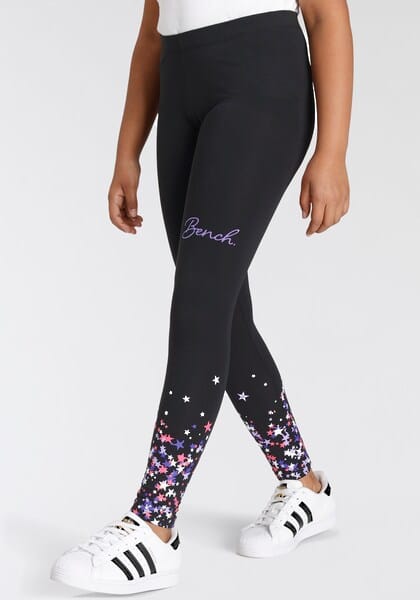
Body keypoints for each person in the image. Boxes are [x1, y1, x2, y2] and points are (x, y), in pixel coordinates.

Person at [51, 0, 353, 594]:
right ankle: (305, 486)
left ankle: (154, 523)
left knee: (200, 305)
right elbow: (152, 32)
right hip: (182, 87)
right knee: (219, 309)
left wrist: (333, 150)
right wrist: (126, 152)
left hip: (259, 85)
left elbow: (326, 15)